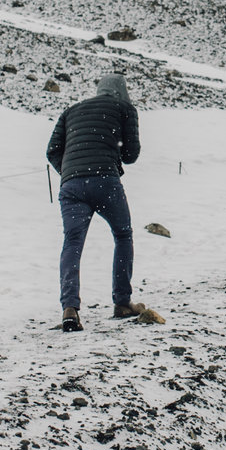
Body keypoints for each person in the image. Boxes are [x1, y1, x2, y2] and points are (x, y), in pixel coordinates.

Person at [46, 71, 140, 330]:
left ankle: (69, 308)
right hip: (105, 181)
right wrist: (111, 150)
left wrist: (70, 171)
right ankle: (122, 302)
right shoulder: (124, 108)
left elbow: (52, 150)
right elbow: (131, 153)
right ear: (122, 91)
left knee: (72, 242)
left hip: (71, 186)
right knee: (122, 234)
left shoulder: (71, 110)